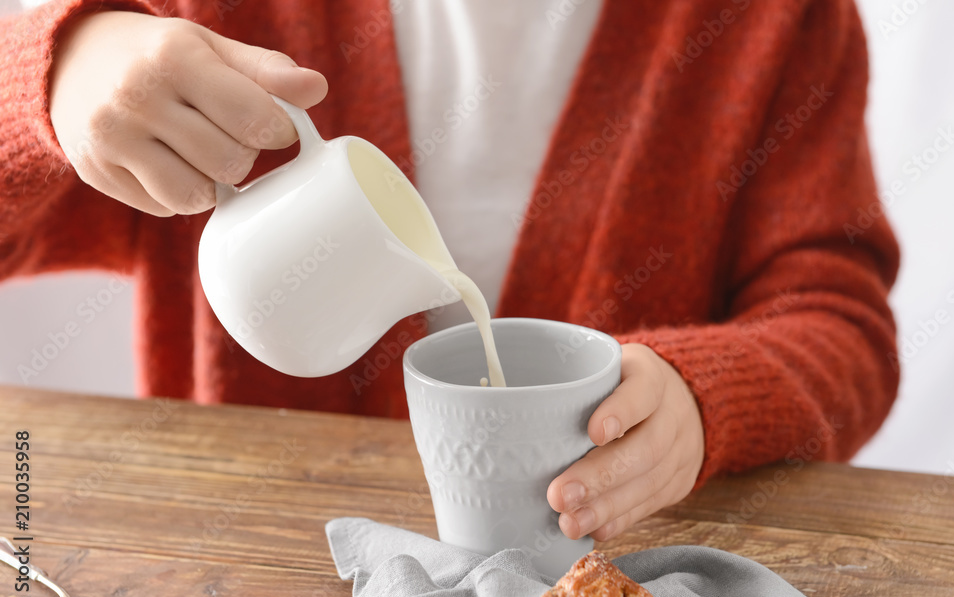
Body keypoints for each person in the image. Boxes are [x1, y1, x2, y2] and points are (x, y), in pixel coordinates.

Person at [0, 0, 899, 544]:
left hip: (621, 596)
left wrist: (709, 405)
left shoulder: (772, 23)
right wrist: (50, 76)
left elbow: (838, 316)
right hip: (255, 589)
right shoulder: (200, 20)